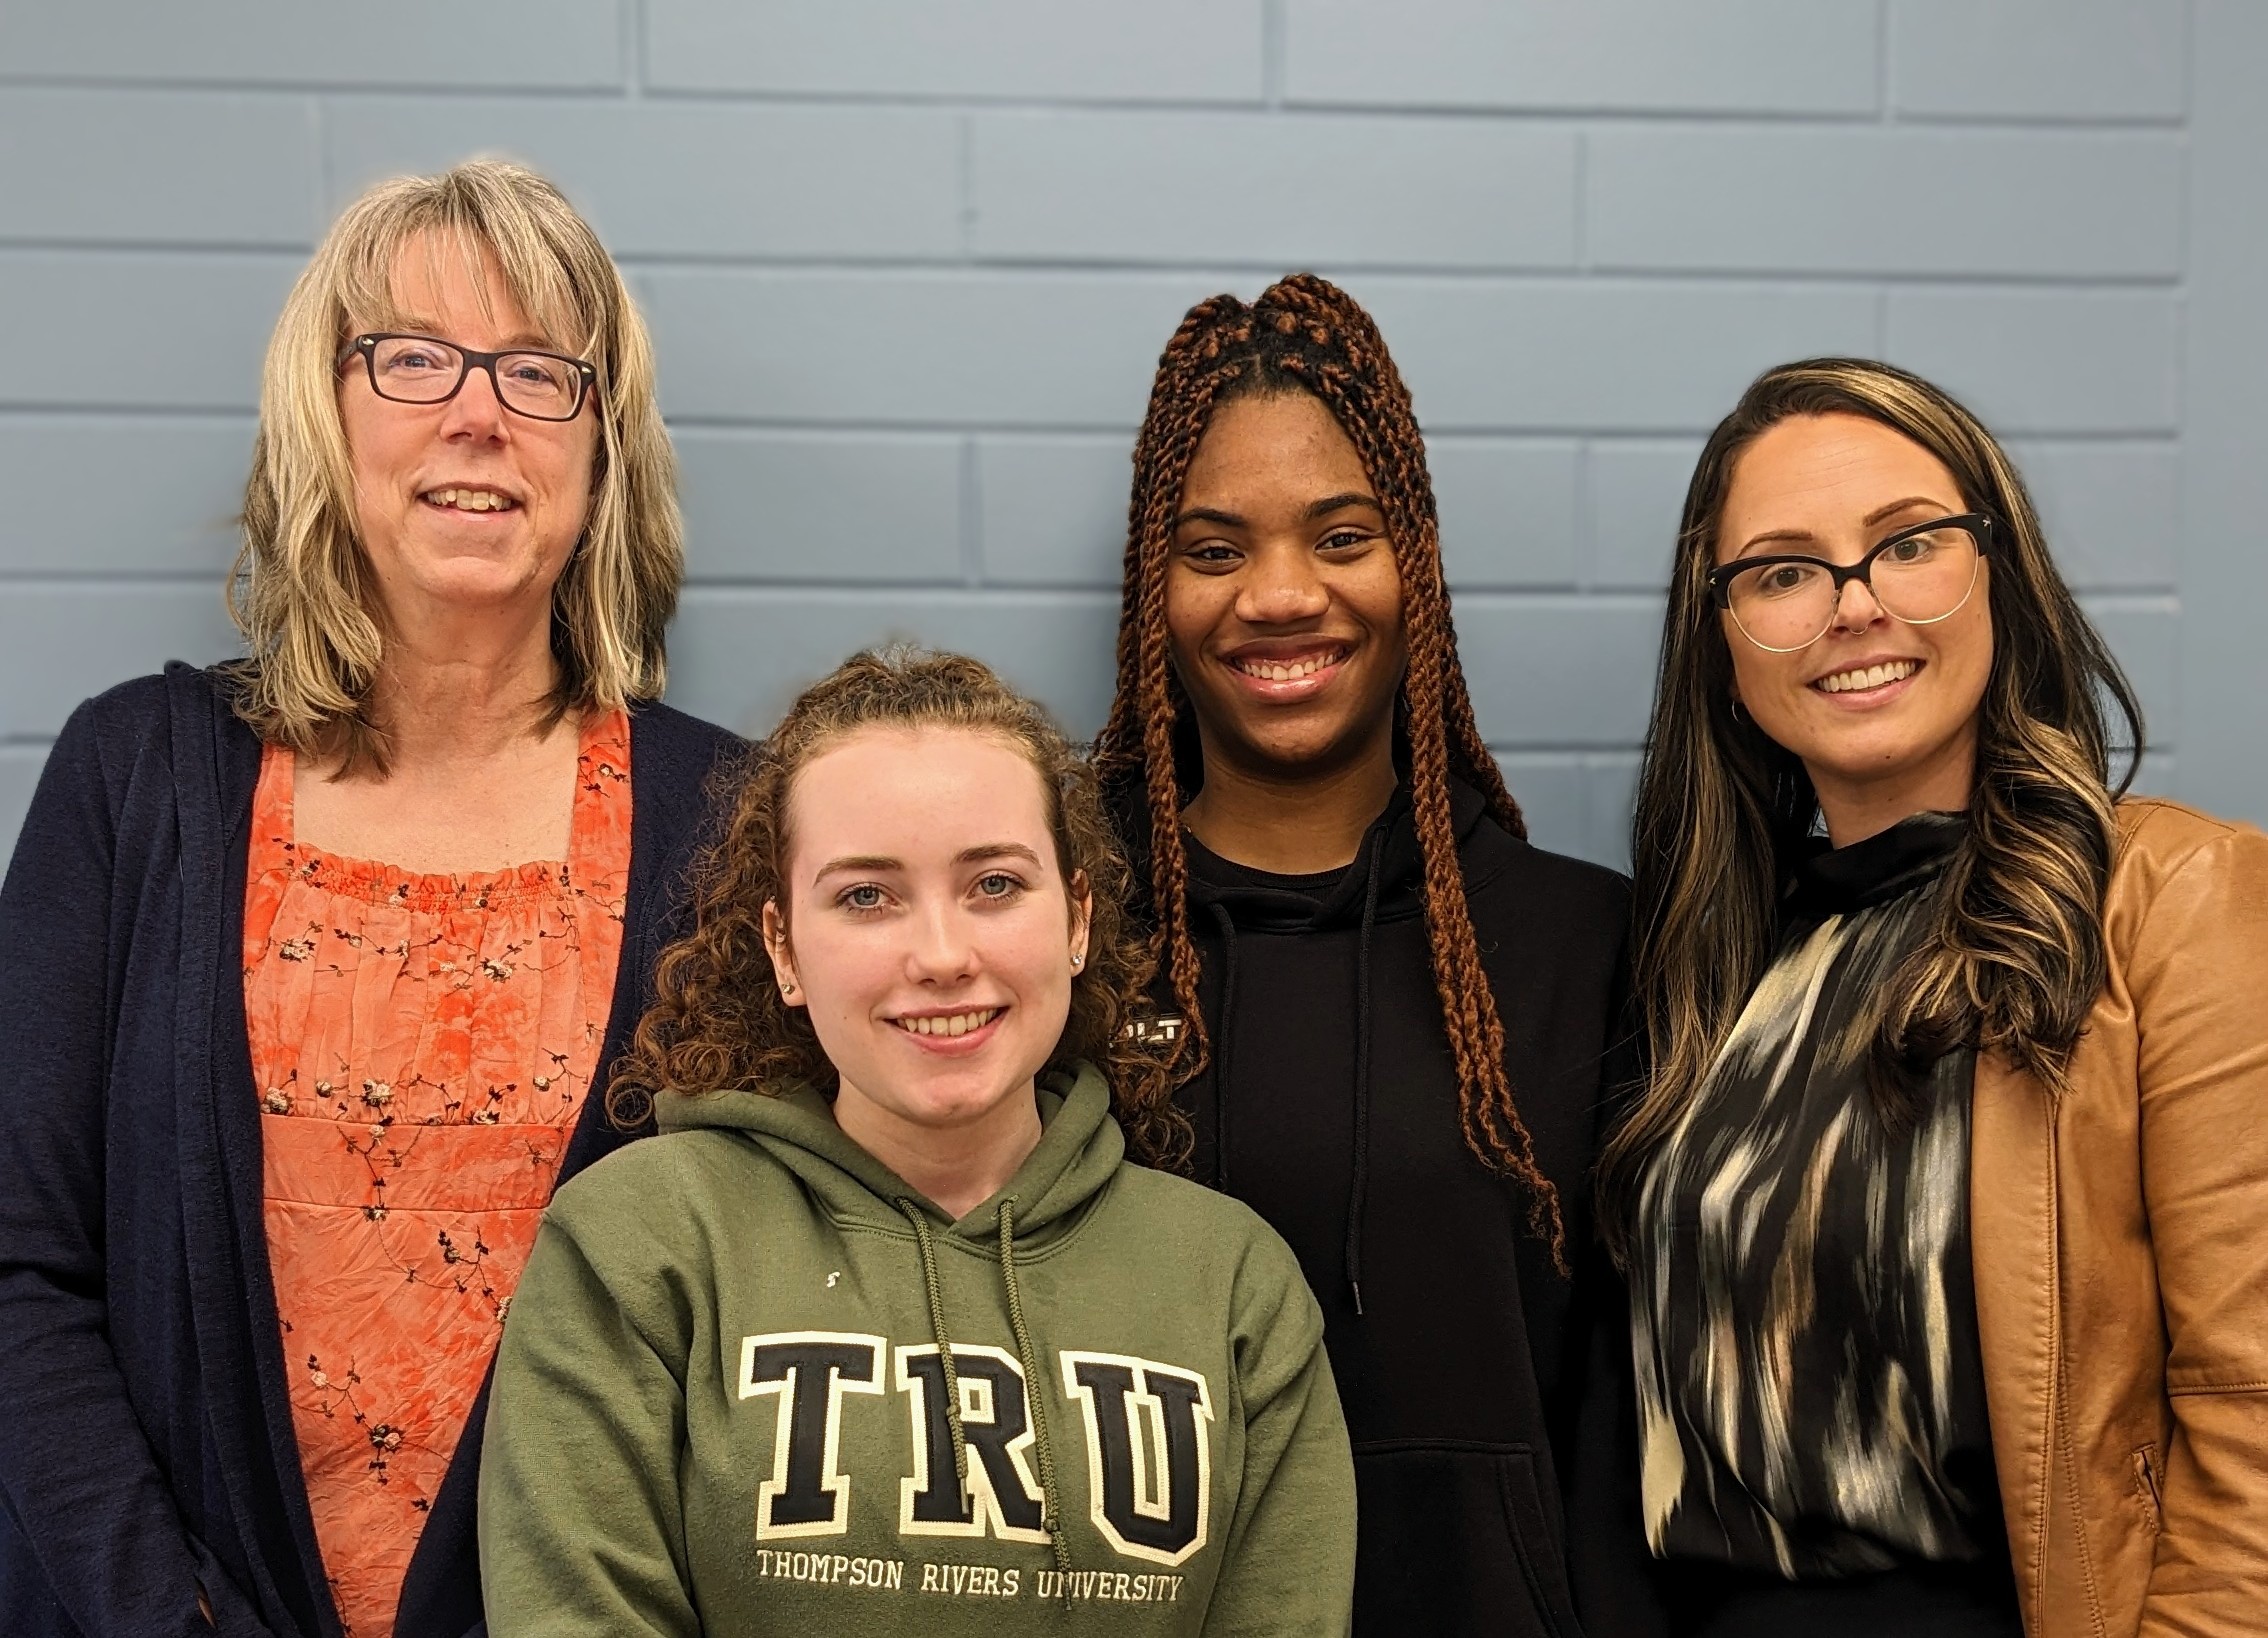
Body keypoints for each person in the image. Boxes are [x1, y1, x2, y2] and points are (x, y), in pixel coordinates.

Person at [0, 159, 740, 1638]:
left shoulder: (734, 827)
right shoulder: (132, 780)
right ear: (322, 414)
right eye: (411, 357)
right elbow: (20, 1265)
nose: (477, 411)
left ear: (602, 453)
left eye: (540, 371)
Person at [477, 648, 1356, 1635]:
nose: (941, 955)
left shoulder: (1233, 1282)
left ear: (1076, 918)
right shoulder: (640, 1244)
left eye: (992, 884)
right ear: (783, 949)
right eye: (866, 897)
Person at [1600, 357, 2268, 1637]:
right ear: (1724, 635)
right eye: (1784, 570)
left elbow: (2249, 1414)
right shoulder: (1708, 968)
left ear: (1998, 571)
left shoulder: (2177, 904)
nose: (1853, 607)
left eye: (1907, 545)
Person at [1090, 274, 1639, 1636]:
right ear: (1153, 588)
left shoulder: (1590, 943)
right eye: (1214, 549)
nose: (1280, 596)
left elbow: (1632, 1416)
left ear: (1418, 566)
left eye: (1341, 535)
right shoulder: (1067, 949)